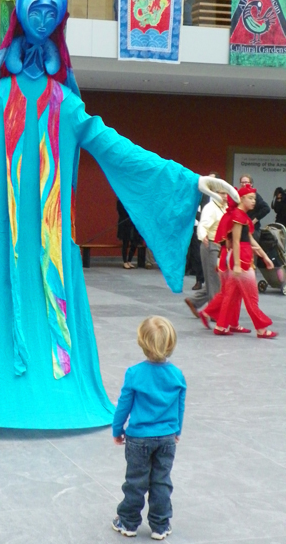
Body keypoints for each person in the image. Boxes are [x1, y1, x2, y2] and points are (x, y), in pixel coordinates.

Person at [0, 0, 236, 429]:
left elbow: (121, 152)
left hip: (51, 241)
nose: (45, 16)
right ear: (21, 12)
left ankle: (49, 383)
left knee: (46, 302)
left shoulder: (65, 105)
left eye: (53, 9)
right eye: (37, 6)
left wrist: (190, 181)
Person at [111, 316, 186, 540]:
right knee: (162, 481)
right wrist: (177, 431)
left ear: (142, 343)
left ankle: (128, 521)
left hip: (138, 439)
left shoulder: (134, 373)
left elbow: (123, 405)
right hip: (166, 438)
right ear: (171, 344)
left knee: (135, 481)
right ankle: (160, 525)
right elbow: (179, 407)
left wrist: (117, 429)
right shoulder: (177, 375)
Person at [212, 184, 277, 338]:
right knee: (251, 297)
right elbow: (235, 242)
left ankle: (221, 326)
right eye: (250, 198)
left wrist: (264, 256)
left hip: (242, 256)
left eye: (254, 198)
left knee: (231, 294)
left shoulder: (241, 216)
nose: (254, 201)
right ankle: (261, 329)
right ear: (241, 199)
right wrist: (237, 264)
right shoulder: (238, 217)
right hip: (241, 258)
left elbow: (247, 240)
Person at [185, 182, 227, 317]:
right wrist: (203, 236)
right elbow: (203, 225)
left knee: (215, 280)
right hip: (211, 245)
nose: (225, 196)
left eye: (226, 193)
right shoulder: (210, 208)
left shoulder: (225, 207)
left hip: (221, 247)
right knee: (215, 280)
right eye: (221, 193)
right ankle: (215, 312)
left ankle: (194, 301)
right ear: (214, 194)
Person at [238, 174, 270, 241]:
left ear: (251, 184)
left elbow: (266, 208)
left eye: (246, 182)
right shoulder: (238, 195)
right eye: (242, 182)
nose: (244, 184)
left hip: (253, 230)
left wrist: (254, 220)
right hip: (241, 228)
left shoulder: (255, 195)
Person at [117, 197, 141, 269]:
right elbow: (120, 211)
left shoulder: (135, 200)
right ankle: (125, 261)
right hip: (125, 223)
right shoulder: (120, 200)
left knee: (135, 242)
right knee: (125, 242)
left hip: (134, 224)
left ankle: (129, 260)